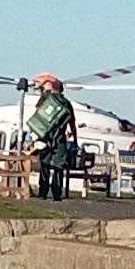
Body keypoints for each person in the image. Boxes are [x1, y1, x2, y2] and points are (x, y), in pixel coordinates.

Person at [30, 73, 77, 201]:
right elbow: (72, 123)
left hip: (45, 137)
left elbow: (38, 116)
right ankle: (57, 194)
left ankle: (43, 192)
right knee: (58, 167)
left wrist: (42, 85)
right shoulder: (66, 103)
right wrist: (75, 141)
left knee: (44, 165)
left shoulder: (45, 99)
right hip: (60, 139)